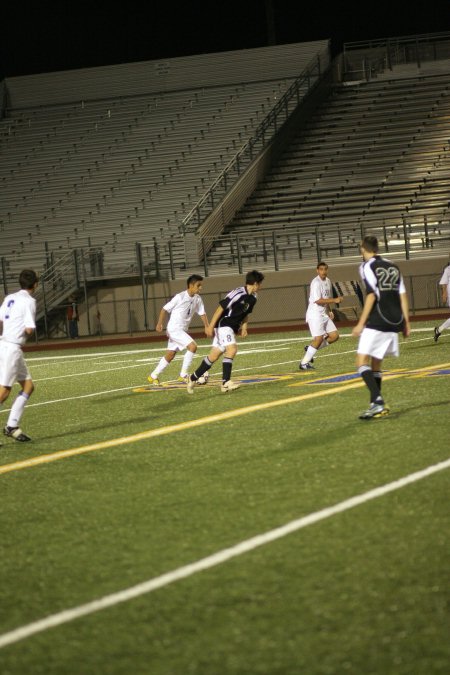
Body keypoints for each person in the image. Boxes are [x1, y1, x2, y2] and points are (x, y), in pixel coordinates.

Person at [352, 235, 410, 420]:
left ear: (363, 248)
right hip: (394, 321)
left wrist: (361, 323)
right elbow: (402, 295)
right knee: (376, 364)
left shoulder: (366, 266)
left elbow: (371, 295)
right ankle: (374, 405)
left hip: (378, 319)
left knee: (361, 362)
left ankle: (377, 401)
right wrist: (406, 322)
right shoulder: (393, 265)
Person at [187, 269, 264, 394]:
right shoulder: (237, 293)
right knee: (232, 349)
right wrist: (210, 326)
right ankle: (225, 382)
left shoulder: (254, 297)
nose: (260, 286)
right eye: (259, 284)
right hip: (224, 324)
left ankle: (193, 378)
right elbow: (220, 308)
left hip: (231, 328)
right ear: (255, 283)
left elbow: (246, 313)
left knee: (214, 355)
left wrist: (244, 327)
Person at [148, 274, 209, 385]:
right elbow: (164, 309)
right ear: (191, 285)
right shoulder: (180, 297)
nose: (200, 288)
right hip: (174, 329)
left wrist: (207, 326)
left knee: (170, 354)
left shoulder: (198, 299)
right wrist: (159, 323)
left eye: (201, 285)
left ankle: (153, 376)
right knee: (193, 346)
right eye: (198, 285)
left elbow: (202, 313)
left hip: (181, 330)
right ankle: (183, 375)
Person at [0, 269, 39, 443]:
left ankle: (12, 426)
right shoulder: (29, 301)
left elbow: (1, 319)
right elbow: (29, 329)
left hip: (5, 344)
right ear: (35, 284)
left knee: (28, 386)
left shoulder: (9, 297)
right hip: (12, 348)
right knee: (4, 390)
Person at [299, 262, 343, 370]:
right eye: (321, 269)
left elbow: (326, 297)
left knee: (334, 336)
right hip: (315, 314)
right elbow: (318, 300)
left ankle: (310, 348)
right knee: (318, 339)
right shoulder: (316, 283)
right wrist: (334, 300)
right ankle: (304, 363)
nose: (324, 271)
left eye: (325, 269)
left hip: (323, 314)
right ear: (317, 270)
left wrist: (330, 310)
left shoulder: (328, 281)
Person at [433, 262, 450, 341]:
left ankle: (439, 330)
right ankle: (438, 330)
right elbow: (444, 282)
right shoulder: (448, 269)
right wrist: (444, 293)